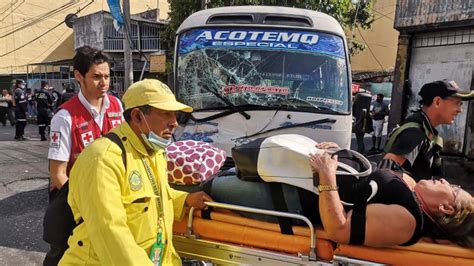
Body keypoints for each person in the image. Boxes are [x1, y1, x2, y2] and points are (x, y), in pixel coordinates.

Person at [201, 142, 474, 248]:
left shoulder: (408, 220)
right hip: (293, 172)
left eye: (455, 189)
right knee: (222, 166)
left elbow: (338, 229)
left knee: (209, 187)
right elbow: (367, 180)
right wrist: (340, 152)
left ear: (447, 209)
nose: (446, 180)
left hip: (290, 197)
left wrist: (328, 174)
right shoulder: (412, 188)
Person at [59, 79, 213, 265]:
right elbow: (110, 232)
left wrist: (185, 201)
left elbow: (154, 196)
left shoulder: (154, 151)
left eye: (176, 115)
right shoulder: (103, 159)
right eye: (166, 114)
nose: (174, 123)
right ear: (138, 116)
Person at [43, 46, 123, 266]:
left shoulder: (116, 106)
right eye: (96, 77)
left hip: (109, 197)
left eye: (107, 76)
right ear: (79, 76)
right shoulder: (65, 117)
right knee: (63, 254)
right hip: (72, 201)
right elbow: (57, 174)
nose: (104, 83)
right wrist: (84, 207)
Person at [379, 80, 474, 181]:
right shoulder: (414, 134)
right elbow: (384, 175)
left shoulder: (426, 130)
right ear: (437, 102)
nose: (460, 110)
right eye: (457, 104)